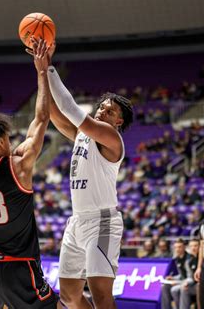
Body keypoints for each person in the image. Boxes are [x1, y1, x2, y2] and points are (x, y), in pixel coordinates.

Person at [32, 37, 133, 309]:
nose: (103, 110)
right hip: (77, 222)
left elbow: (70, 109)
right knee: (69, 297)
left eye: (109, 110)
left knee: (101, 297)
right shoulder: (82, 134)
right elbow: (53, 112)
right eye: (102, 106)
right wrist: (40, 72)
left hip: (102, 222)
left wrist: (49, 68)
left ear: (118, 121)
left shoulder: (111, 137)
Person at [0, 40, 60, 308]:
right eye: (6, 136)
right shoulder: (18, 165)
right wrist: (42, 72)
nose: (9, 139)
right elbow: (41, 119)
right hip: (19, 268)